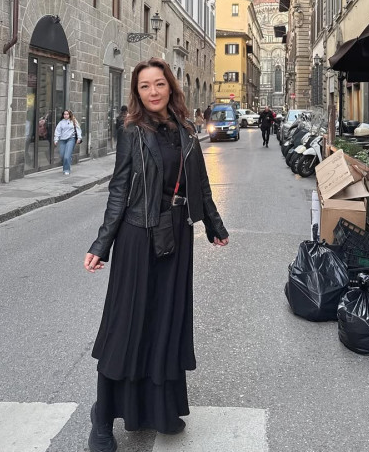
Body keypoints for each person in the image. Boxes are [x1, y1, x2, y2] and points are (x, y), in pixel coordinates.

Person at [84, 57, 229, 451]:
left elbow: (200, 184)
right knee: (126, 326)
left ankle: (159, 409)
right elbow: (119, 189)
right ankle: (102, 417)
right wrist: (102, 244)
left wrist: (214, 225)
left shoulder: (186, 129)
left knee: (166, 323)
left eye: (159, 84)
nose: (153, 91)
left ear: (170, 87)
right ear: (137, 91)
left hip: (177, 236)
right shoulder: (132, 130)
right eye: (145, 86)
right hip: (137, 236)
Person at [54, 110, 82, 175]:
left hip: (71, 139)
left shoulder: (74, 121)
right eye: (64, 114)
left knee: (66, 156)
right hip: (62, 140)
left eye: (67, 114)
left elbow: (78, 129)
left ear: (69, 115)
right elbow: (57, 131)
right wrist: (56, 139)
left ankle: (66, 170)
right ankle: (69, 159)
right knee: (62, 155)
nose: (65, 115)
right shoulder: (61, 122)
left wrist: (79, 138)